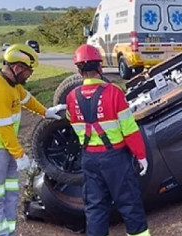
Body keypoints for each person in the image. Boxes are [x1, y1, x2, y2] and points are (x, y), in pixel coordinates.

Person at [0, 44, 65, 236]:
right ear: (18, 68)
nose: (30, 74)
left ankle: (9, 232)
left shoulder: (11, 84)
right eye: (29, 70)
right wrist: (20, 156)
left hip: (3, 150)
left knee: (11, 193)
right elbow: (4, 129)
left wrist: (45, 112)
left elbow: (26, 98)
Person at [65, 44, 150, 236]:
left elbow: (73, 122)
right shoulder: (114, 93)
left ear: (79, 70)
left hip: (89, 160)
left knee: (95, 209)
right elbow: (129, 129)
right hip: (115, 159)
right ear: (100, 67)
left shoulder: (71, 97)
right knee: (129, 204)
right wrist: (141, 155)